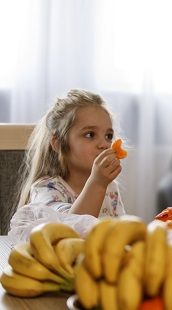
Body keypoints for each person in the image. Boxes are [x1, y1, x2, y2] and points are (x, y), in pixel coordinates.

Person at [9, 89, 126, 240]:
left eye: (108, 136)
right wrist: (97, 183)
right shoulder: (47, 189)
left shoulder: (110, 188)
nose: (104, 144)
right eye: (90, 135)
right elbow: (70, 235)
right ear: (58, 143)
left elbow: (121, 233)